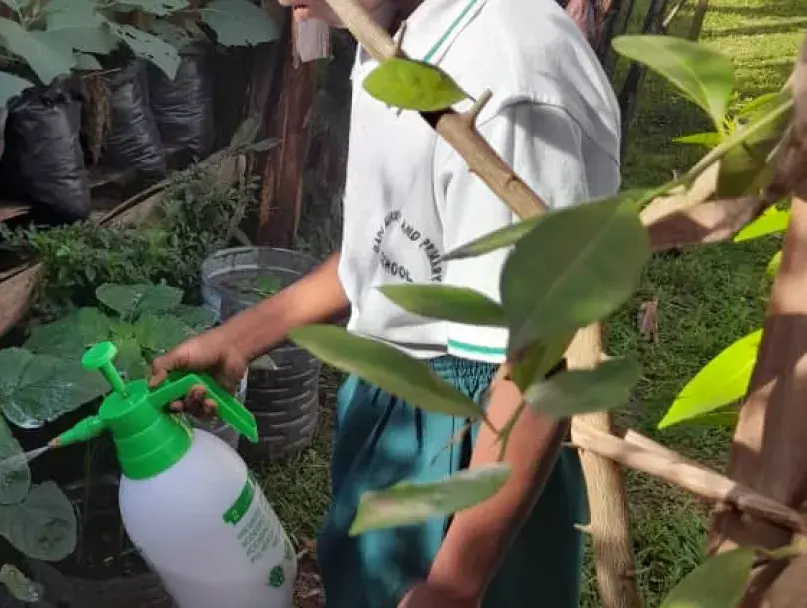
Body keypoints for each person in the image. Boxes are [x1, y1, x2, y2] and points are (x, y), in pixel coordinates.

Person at [149, 0, 621, 605]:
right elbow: (389, 250)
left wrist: (455, 581)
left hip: (481, 441)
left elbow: (534, 366)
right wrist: (238, 338)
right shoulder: (396, 33)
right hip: (396, 405)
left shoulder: (503, 86)